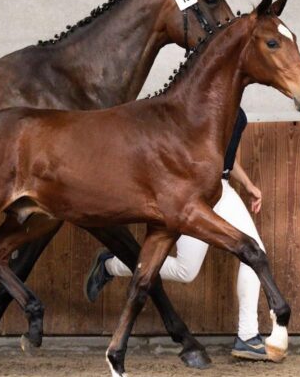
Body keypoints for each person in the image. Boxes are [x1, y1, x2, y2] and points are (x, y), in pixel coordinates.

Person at [83, 107, 278, 361]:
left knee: (255, 253)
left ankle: (247, 337)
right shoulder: (198, 108)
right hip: (195, 192)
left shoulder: (235, 109)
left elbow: (226, 157)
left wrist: (248, 184)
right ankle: (111, 265)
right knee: (187, 271)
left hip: (224, 188)